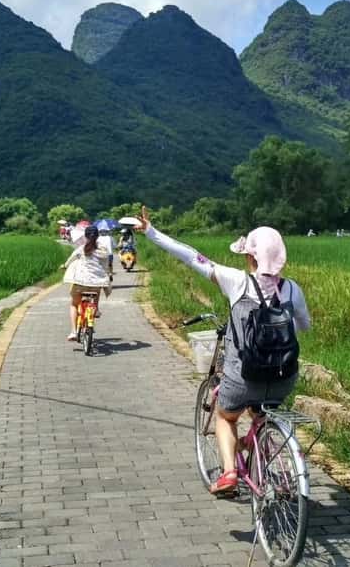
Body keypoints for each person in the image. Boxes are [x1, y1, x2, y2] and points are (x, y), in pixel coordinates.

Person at [137, 206, 311, 497]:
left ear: (250, 256)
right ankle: (263, 456)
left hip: (244, 376)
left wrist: (151, 232)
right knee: (262, 413)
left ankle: (230, 472)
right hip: (284, 376)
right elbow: (304, 325)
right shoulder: (292, 289)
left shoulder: (237, 281)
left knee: (225, 417)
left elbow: (192, 256)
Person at [61, 225, 111, 341]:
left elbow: (70, 260)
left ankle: (73, 331)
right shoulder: (103, 250)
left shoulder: (81, 249)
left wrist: (64, 266)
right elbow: (106, 266)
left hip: (80, 283)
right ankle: (96, 309)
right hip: (96, 284)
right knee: (96, 288)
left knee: (74, 304)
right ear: (97, 236)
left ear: (85, 236)